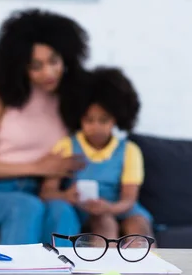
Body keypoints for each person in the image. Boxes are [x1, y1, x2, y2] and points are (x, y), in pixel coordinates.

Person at [0, 8, 90, 245]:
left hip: (40, 193)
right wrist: (39, 167)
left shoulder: (73, 99)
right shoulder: (1, 95)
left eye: (53, 61)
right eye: (35, 66)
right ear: (19, 67)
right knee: (26, 207)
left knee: (62, 211)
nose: (48, 72)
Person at [39, 66, 155, 243]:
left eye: (104, 120)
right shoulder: (67, 146)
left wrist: (109, 207)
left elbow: (129, 200)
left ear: (115, 119)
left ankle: (145, 268)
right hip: (88, 212)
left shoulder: (130, 151)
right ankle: (106, 270)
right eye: (89, 120)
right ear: (79, 118)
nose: (96, 127)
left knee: (139, 228)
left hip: (120, 207)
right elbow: (47, 192)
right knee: (104, 224)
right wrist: (65, 196)